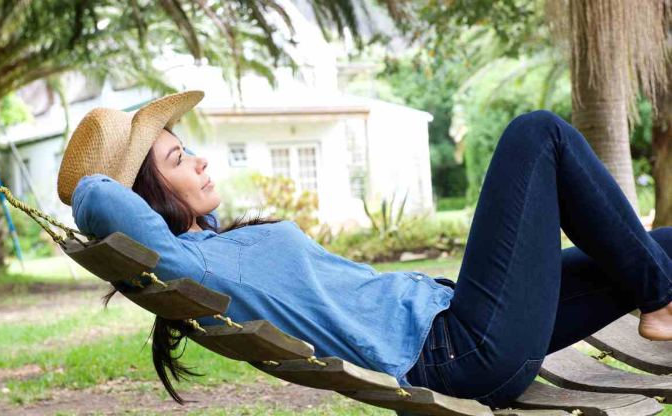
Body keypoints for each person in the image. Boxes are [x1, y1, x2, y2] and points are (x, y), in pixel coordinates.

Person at [56, 91, 672, 410]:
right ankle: (660, 299)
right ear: (147, 197)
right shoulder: (193, 267)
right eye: (175, 160)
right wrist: (94, 174)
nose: (199, 159)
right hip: (461, 349)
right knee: (537, 135)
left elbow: (161, 216)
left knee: (660, 246)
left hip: (464, 326)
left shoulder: (215, 246)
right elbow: (101, 199)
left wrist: (152, 166)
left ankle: (658, 290)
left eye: (186, 148)